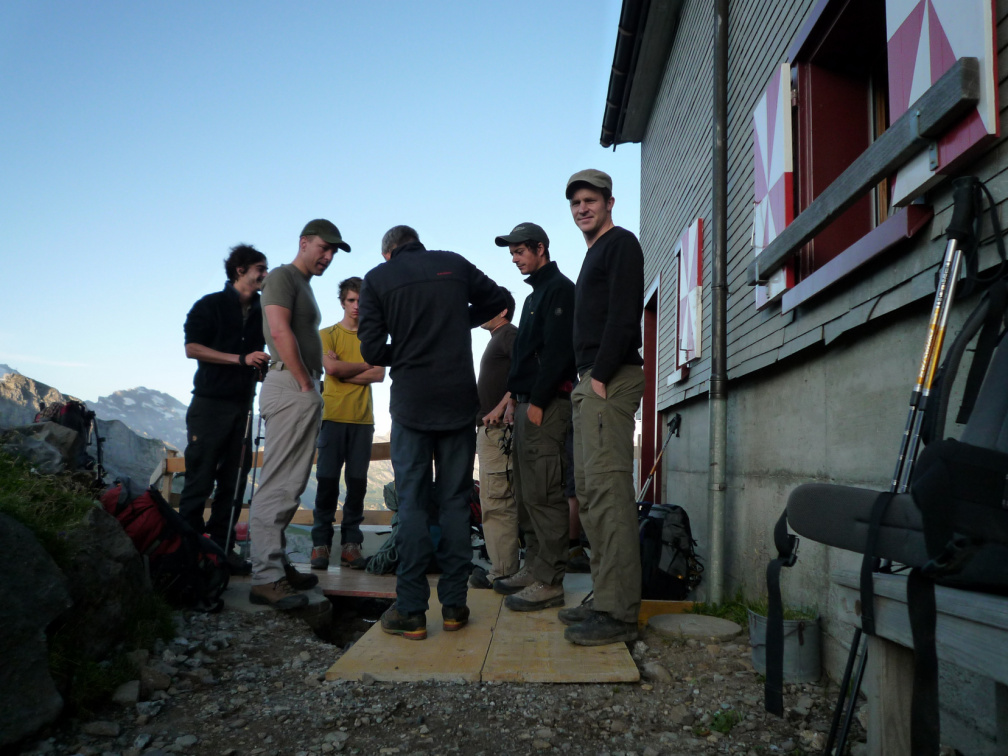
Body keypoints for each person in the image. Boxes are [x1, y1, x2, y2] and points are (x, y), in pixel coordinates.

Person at [358, 225, 507, 640]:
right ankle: (455, 607)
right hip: (458, 401)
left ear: (388, 252)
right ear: (416, 243)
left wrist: (407, 348)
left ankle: (411, 611)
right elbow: (500, 299)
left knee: (412, 504)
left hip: (412, 405)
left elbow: (371, 350)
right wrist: (457, 322)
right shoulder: (454, 264)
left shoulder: (378, 278)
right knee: (456, 502)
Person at [559, 169, 646, 646]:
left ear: (609, 202)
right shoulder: (594, 252)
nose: (582, 209)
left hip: (608, 379)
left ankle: (618, 612)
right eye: (576, 203)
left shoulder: (621, 244)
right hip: (591, 380)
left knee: (609, 494)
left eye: (590, 200)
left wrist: (600, 375)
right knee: (591, 496)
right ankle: (605, 597)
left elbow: (624, 313)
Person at [249, 219, 350, 611]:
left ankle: (275, 565)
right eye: (323, 247)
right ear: (304, 242)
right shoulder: (282, 277)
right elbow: (278, 331)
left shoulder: (302, 284)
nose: (328, 256)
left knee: (290, 484)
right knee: (278, 484)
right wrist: (306, 384)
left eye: (333, 252)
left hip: (299, 386)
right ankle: (266, 577)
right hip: (291, 385)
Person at [490, 222, 576, 613]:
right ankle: (535, 567)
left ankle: (550, 580)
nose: (514, 258)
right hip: (527, 405)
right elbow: (526, 358)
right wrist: (514, 400)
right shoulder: (533, 296)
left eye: (520, 251)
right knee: (527, 493)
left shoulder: (560, 289)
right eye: (512, 253)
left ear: (540, 248)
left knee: (545, 492)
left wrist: (538, 400)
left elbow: (560, 352)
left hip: (547, 404)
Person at [179, 244, 270, 575]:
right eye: (260, 268)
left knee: (234, 483)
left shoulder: (263, 312)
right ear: (240, 270)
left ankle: (221, 551)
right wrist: (241, 359)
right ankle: (186, 553)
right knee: (200, 479)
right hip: (209, 404)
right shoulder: (210, 305)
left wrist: (259, 367)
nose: (265, 275)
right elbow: (192, 348)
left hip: (243, 406)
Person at [310, 276, 386, 571]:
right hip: (331, 417)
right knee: (327, 480)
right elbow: (330, 368)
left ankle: (351, 545)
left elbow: (379, 374)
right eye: (352, 300)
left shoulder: (373, 338)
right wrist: (363, 366)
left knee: (357, 483)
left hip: (362, 420)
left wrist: (344, 370)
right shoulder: (326, 334)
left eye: (361, 301)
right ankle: (320, 544)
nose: (357, 306)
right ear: (343, 302)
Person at [469, 290, 518, 590]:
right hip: (491, 431)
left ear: (502, 311)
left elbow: (528, 367)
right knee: (494, 500)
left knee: (497, 502)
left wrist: (503, 406)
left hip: (499, 432)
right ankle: (504, 569)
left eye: (487, 307)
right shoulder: (498, 338)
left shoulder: (509, 334)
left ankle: (502, 572)